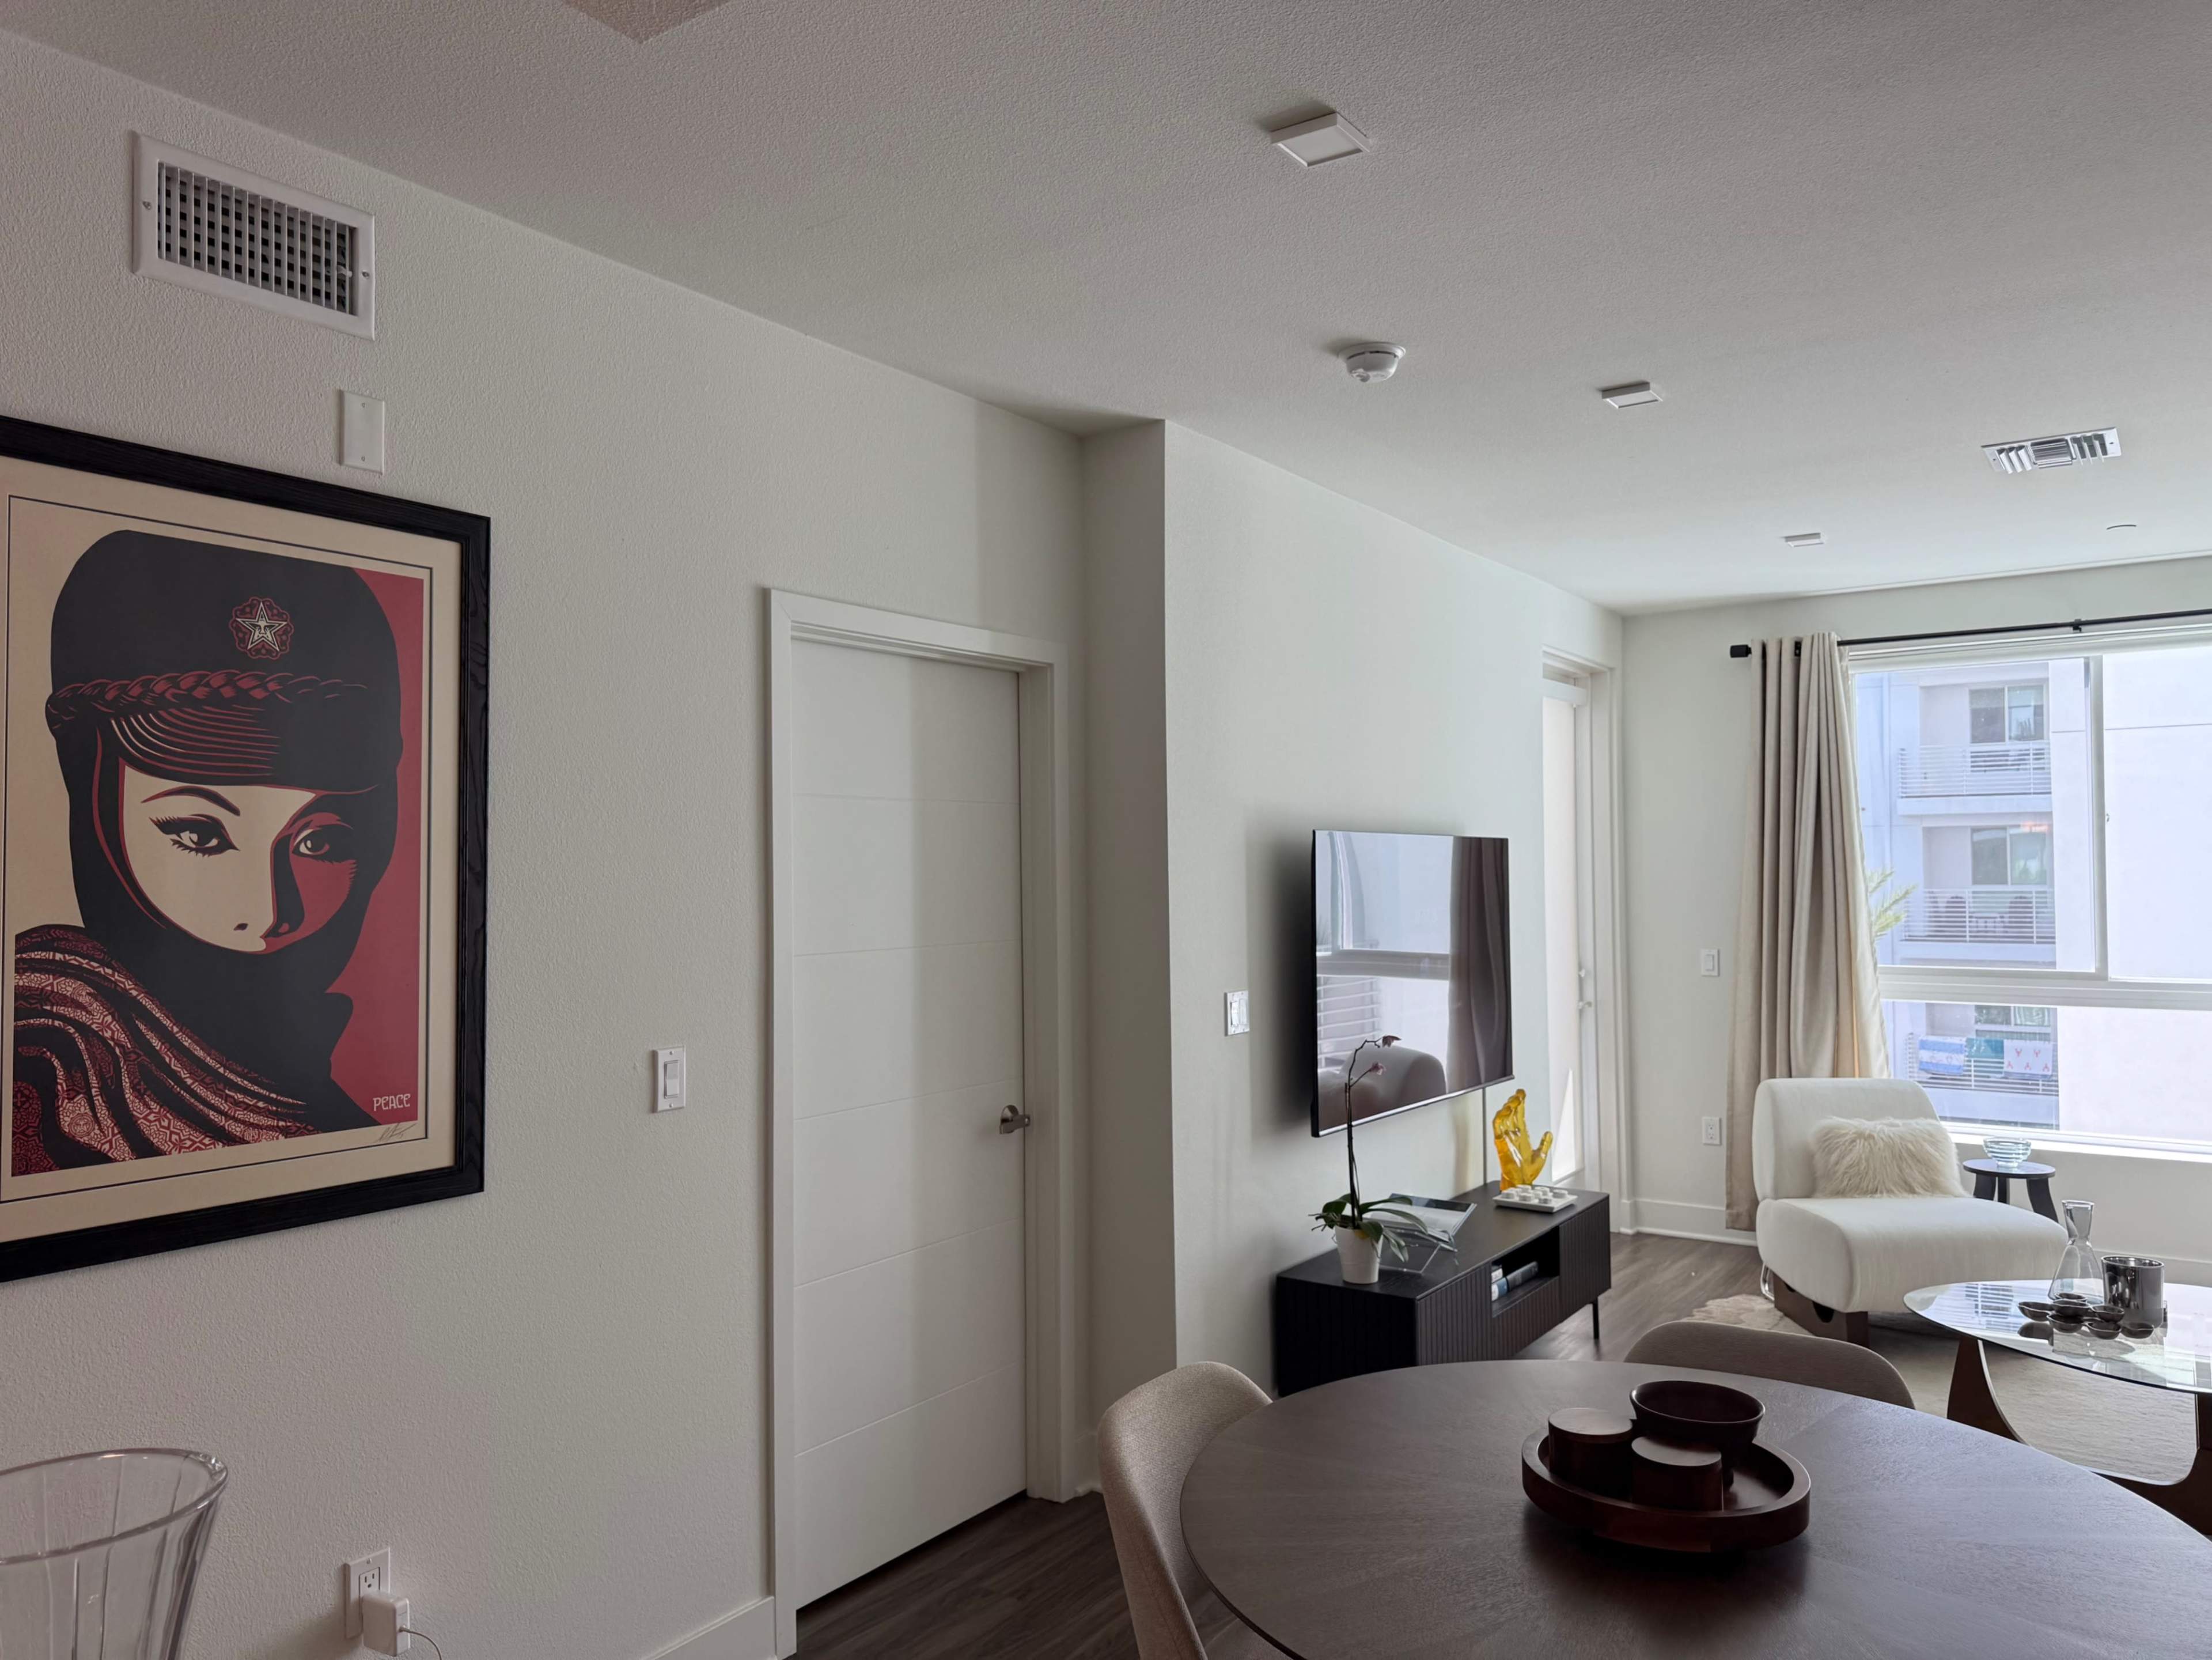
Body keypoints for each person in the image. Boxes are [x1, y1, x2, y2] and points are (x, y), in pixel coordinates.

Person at [10, 531, 405, 1173]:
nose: (270, 912)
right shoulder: (48, 1068)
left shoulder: (337, 1109)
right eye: (199, 835)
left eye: (319, 842)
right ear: (92, 801)